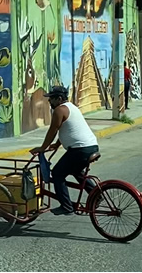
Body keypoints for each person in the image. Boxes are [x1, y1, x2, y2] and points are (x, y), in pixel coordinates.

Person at [29, 86, 99, 216]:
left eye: (51, 99)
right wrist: (56, 144)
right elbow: (69, 130)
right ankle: (97, 194)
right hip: (91, 146)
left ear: (59, 99)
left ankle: (66, 206)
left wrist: (42, 148)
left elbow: (53, 130)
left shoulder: (59, 110)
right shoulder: (72, 107)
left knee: (57, 174)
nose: (49, 102)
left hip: (80, 150)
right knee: (76, 171)